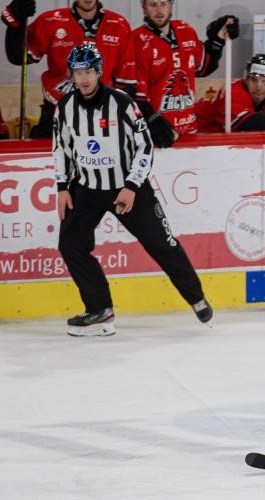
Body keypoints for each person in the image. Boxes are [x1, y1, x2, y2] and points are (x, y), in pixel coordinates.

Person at [53, 44, 212, 337]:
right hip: (86, 189)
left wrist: (131, 186)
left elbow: (144, 146)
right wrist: (63, 187)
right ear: (72, 75)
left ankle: (196, 298)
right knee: (71, 244)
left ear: (99, 72)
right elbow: (61, 149)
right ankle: (100, 309)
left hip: (127, 188)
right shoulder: (65, 108)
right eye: (78, 73)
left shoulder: (122, 103)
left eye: (88, 71)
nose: (84, 78)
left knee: (161, 244)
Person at [1, 0, 137, 138]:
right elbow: (18, 57)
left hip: (101, 116)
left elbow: (126, 84)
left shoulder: (119, 25)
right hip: (56, 113)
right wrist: (15, 24)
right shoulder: (51, 20)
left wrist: (123, 120)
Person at [131, 0, 239, 147]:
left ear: (170, 6)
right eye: (153, 4)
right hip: (159, 135)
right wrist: (151, 119)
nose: (159, 10)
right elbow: (136, 93)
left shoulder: (185, 31)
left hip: (190, 132)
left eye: (163, 3)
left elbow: (203, 68)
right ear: (144, 9)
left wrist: (217, 40)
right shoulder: (136, 40)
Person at [196, 54, 265, 133]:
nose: (259, 87)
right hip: (195, 125)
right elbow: (243, 123)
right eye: (253, 80)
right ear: (246, 80)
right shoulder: (233, 90)